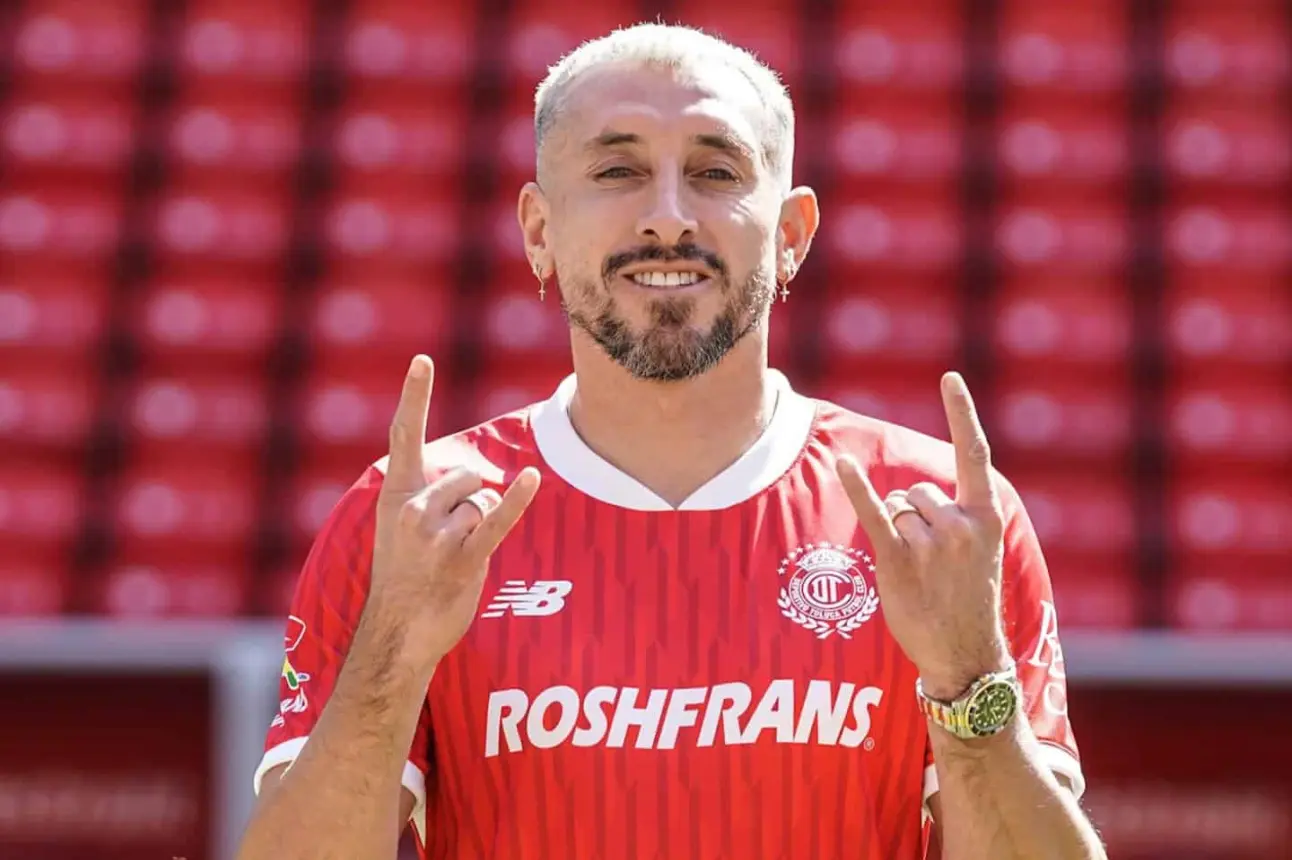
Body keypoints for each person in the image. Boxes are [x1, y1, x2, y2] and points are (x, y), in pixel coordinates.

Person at [236, 22, 1106, 860]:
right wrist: (390, 660)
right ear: (539, 230)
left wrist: (966, 682)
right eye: (617, 170)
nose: (666, 218)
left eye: (715, 171)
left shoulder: (935, 515)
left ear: (793, 233)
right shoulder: (418, 515)